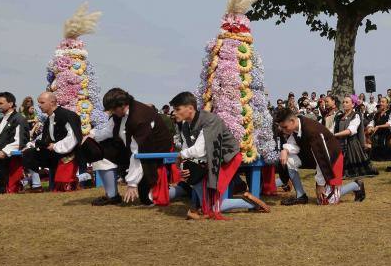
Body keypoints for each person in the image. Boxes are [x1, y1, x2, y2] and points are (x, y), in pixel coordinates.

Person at [170, 92, 268, 220]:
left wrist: (181, 157)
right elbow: (188, 149)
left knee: (214, 205)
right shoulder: (185, 126)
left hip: (226, 158)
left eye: (178, 109)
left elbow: (199, 150)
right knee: (194, 177)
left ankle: (248, 203)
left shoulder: (210, 119)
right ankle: (205, 207)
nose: (174, 113)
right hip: (209, 158)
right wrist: (184, 167)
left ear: (190, 108)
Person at [88, 88, 174, 205]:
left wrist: (132, 183)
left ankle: (182, 189)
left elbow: (137, 151)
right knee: (100, 153)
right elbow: (108, 130)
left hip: (151, 155)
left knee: (149, 199)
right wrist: (91, 136)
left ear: (122, 105)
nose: (112, 112)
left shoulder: (140, 117)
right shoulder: (118, 114)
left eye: (113, 109)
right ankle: (112, 196)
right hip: (131, 151)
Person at [272, 107, 365, 205]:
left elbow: (322, 158)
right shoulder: (296, 125)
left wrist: (320, 184)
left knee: (326, 201)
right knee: (288, 160)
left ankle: (356, 185)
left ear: (292, 121)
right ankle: (301, 196)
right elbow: (293, 142)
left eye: (284, 127)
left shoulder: (312, 130)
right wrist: (285, 150)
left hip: (332, 158)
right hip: (316, 157)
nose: (282, 130)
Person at [20, 92, 83, 192]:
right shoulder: (48, 119)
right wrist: (31, 145)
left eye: (42, 102)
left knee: (62, 189)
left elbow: (73, 137)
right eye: (39, 103)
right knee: (29, 153)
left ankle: (84, 177)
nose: (39, 105)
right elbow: (45, 139)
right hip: (53, 154)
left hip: (68, 154)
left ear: (52, 102)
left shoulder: (68, 115)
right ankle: (37, 186)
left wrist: (55, 146)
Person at [335, 95, 378, 178]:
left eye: (347, 102)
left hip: (352, 144)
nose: (344, 104)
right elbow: (334, 129)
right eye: (343, 102)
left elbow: (351, 130)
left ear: (353, 105)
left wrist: (335, 135)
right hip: (340, 144)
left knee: (356, 170)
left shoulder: (356, 115)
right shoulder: (339, 117)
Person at [366, 97, 391, 161]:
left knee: (384, 146)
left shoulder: (390, 112)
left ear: (387, 104)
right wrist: (370, 127)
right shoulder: (377, 113)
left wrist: (379, 126)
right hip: (377, 136)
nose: (381, 103)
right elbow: (372, 122)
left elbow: (390, 124)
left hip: (386, 135)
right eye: (380, 102)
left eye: (383, 102)